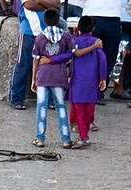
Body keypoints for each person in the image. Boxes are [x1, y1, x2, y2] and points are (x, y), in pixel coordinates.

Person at [31, 9, 76, 148]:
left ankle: (40, 139)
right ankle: (66, 139)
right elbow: (73, 52)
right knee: (61, 107)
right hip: (58, 75)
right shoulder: (66, 36)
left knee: (41, 107)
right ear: (58, 21)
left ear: (44, 21)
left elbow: (35, 60)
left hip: (43, 76)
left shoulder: (39, 38)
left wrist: (33, 79)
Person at [8, 0, 61, 109]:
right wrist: (47, 4)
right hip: (28, 31)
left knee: (49, 67)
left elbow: (56, 5)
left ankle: (50, 99)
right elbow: (29, 5)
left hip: (47, 32)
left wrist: (39, 1)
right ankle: (16, 98)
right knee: (23, 65)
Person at [66, 16, 108, 145]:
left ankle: (83, 135)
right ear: (93, 28)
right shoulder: (96, 42)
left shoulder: (74, 41)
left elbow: (68, 57)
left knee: (78, 108)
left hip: (77, 79)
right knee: (90, 109)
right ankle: (85, 135)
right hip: (92, 80)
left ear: (77, 28)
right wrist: (103, 78)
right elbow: (103, 60)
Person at [78, 0, 123, 91]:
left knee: (109, 57)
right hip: (92, 13)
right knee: (87, 54)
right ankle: (86, 87)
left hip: (113, 16)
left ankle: (100, 90)